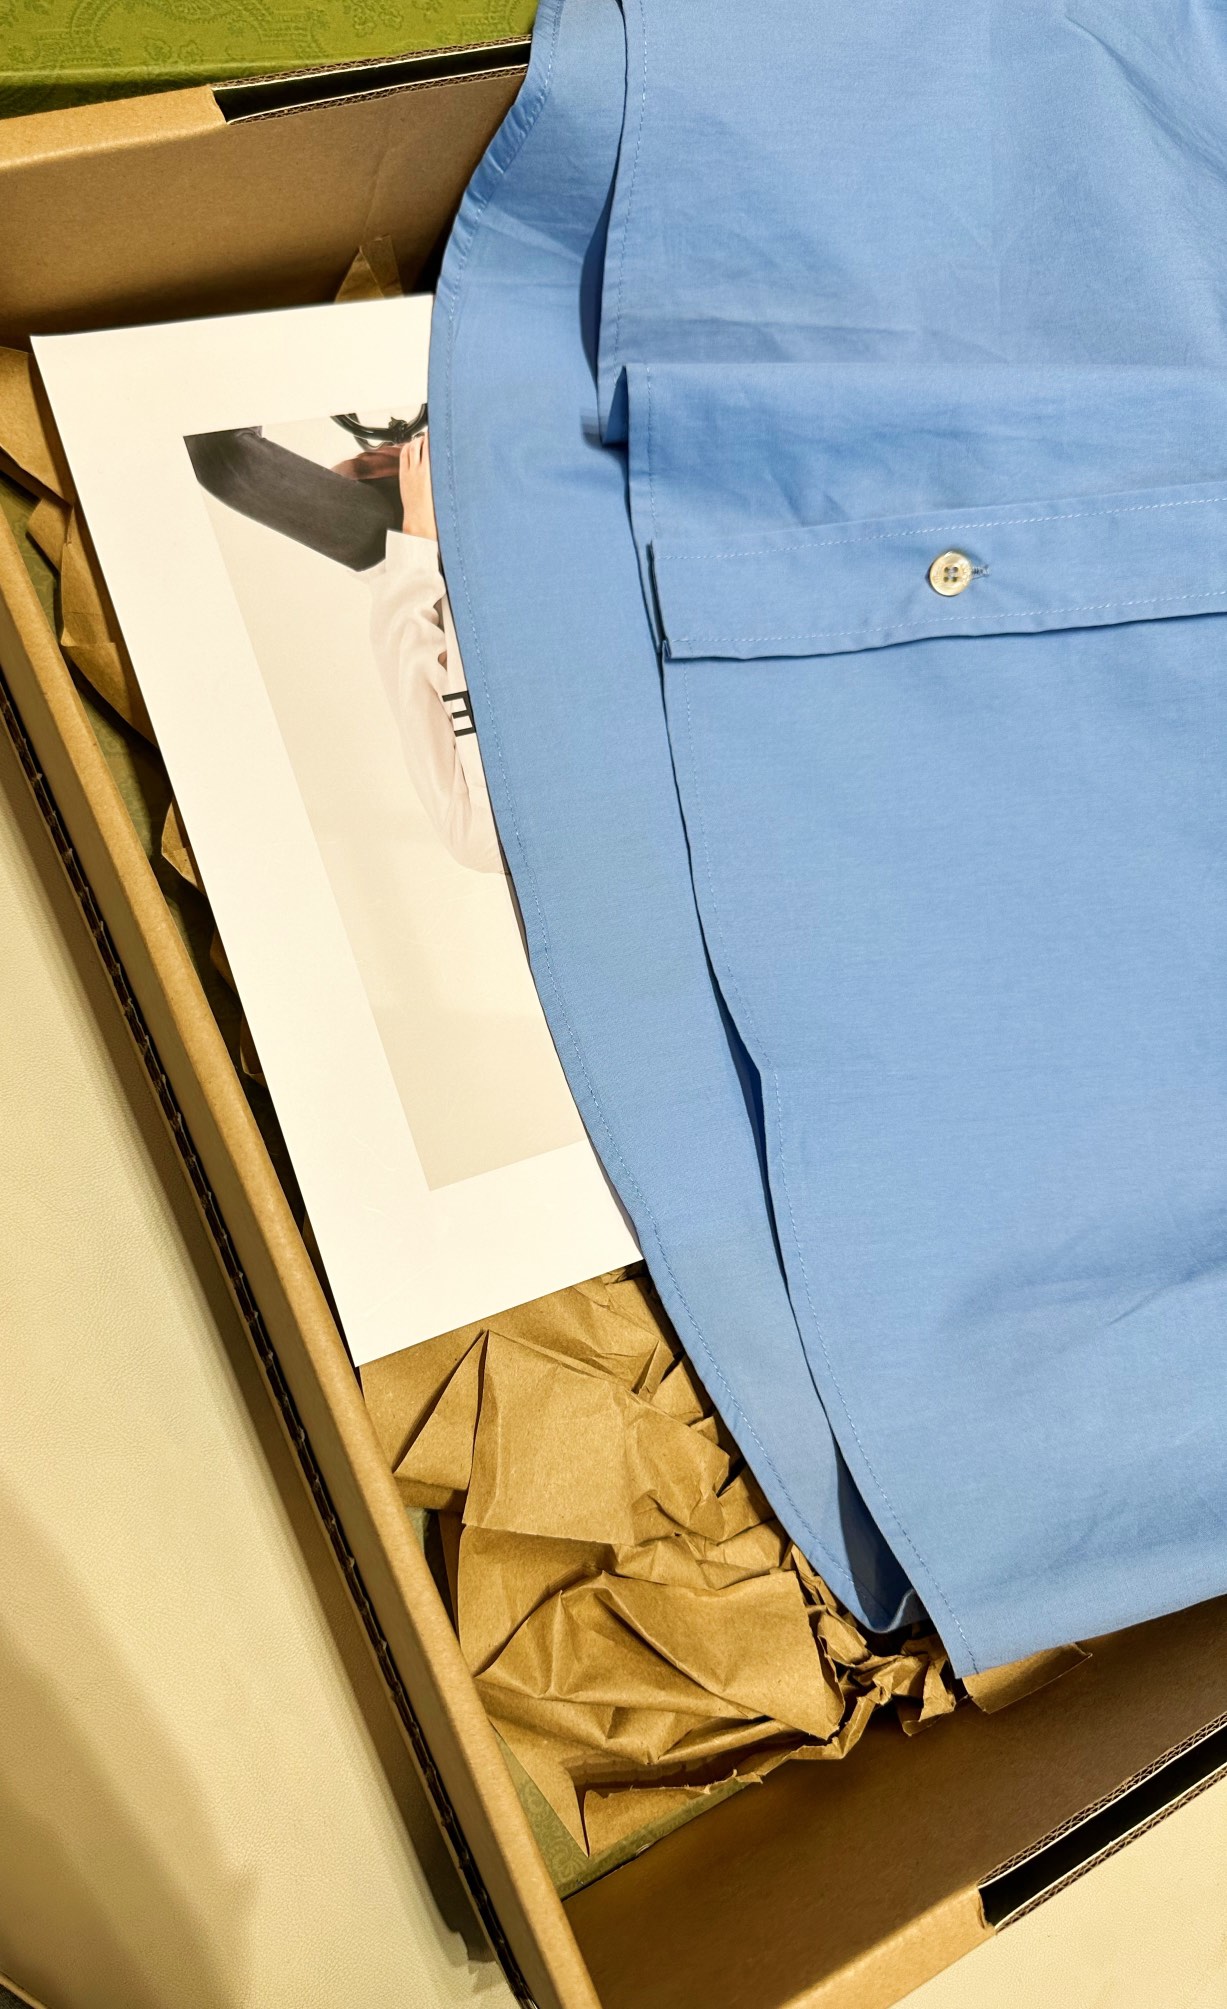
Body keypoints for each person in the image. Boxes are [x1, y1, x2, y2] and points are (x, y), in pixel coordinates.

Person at [185, 420, 503, 874]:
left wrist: (416, 536)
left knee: (225, 462)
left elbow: (411, 676)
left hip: (417, 566)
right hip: (506, 527)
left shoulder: (480, 841)